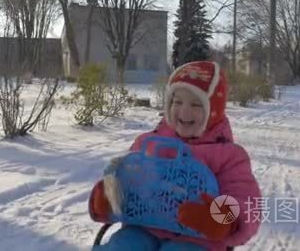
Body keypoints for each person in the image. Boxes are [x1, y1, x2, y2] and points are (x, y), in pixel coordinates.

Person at [88, 60, 262, 251]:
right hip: (143, 228)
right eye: (177, 102)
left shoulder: (228, 156)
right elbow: (127, 183)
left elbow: (247, 203)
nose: (185, 111)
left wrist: (224, 222)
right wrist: (106, 199)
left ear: (214, 110)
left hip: (198, 239)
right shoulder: (149, 143)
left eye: (197, 104)